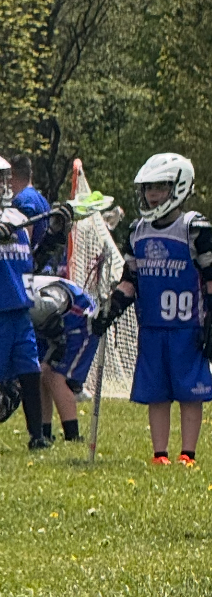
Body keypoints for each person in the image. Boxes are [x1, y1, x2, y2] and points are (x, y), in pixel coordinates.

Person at [91, 154, 212, 466]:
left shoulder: (193, 228)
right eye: (149, 188)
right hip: (152, 327)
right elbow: (130, 281)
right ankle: (160, 453)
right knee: (157, 393)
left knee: (190, 393)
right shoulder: (137, 232)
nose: (153, 194)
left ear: (178, 187)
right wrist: (110, 311)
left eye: (160, 187)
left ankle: (188, 453)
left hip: (187, 328)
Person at [0, 157, 47, 451]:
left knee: (30, 371)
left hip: (19, 309)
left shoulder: (17, 217)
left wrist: (54, 232)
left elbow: (33, 258)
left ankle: (37, 434)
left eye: (4, 178)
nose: (3, 185)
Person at [29, 272, 100, 448]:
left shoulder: (46, 299)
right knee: (39, 373)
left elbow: (48, 307)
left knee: (56, 375)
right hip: (51, 320)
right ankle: (43, 432)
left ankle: (72, 434)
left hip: (78, 323)